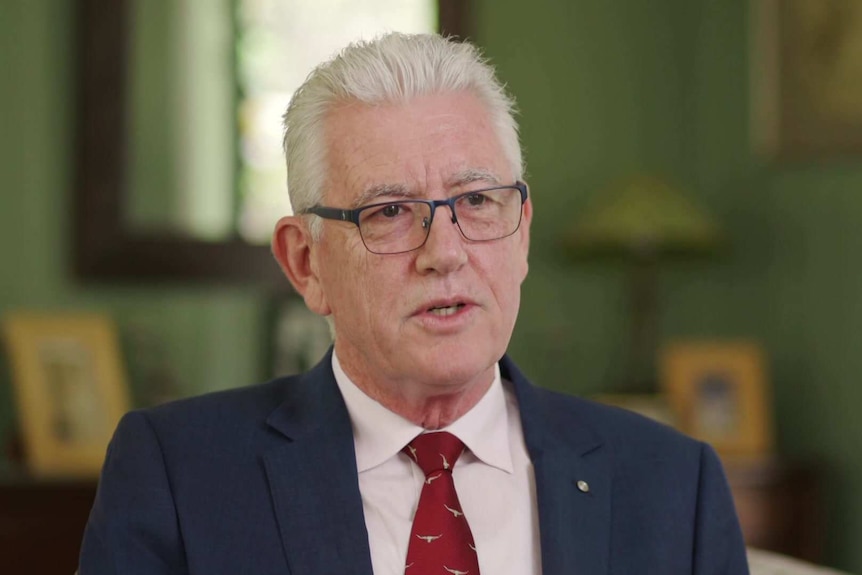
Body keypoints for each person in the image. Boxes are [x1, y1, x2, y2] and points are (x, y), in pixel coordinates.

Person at [79, 33, 749, 574]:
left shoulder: (671, 485)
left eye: (477, 201)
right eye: (391, 210)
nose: (445, 251)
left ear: (522, 233)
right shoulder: (177, 474)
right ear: (305, 262)